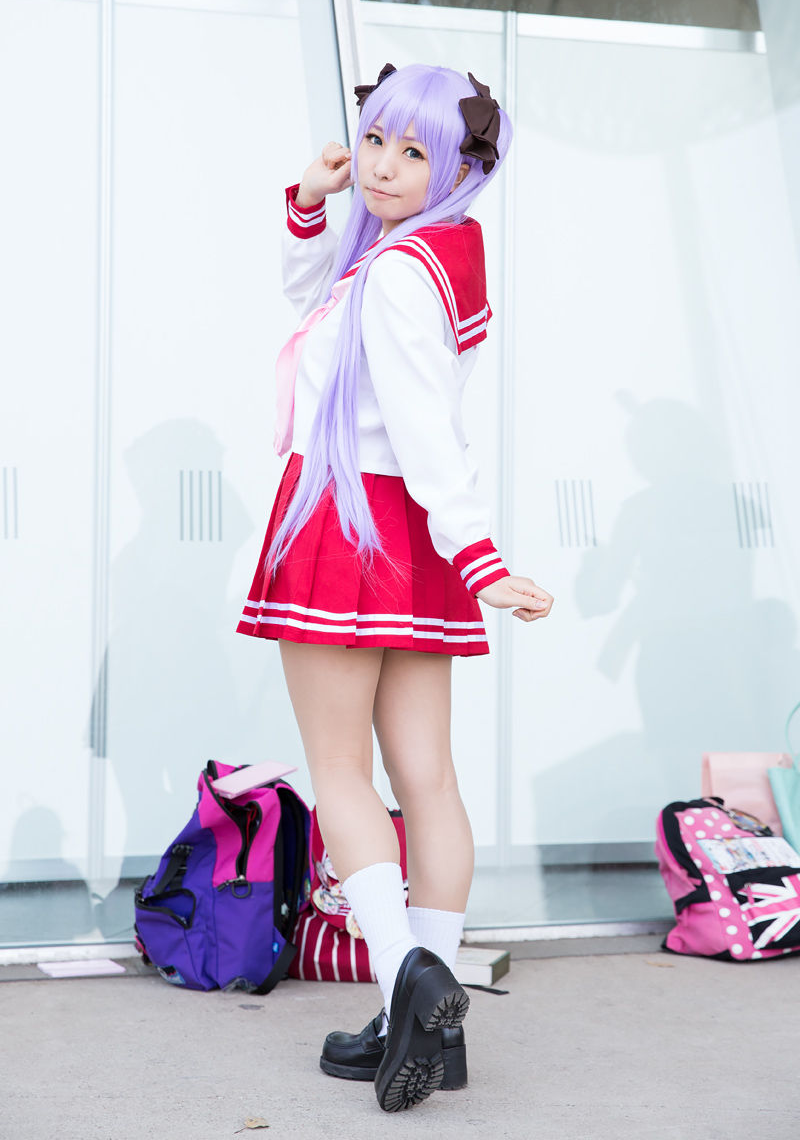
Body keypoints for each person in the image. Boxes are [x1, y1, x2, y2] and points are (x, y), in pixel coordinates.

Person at [236, 63, 554, 1112]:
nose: (381, 165)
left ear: (458, 168)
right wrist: (309, 202)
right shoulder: (430, 252)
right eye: (375, 139)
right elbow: (317, 312)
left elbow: (422, 425)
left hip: (351, 520)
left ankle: (404, 981)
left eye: (414, 152)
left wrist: (481, 556)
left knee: (341, 773)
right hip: (406, 537)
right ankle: (431, 1024)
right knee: (429, 779)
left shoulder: (399, 272)